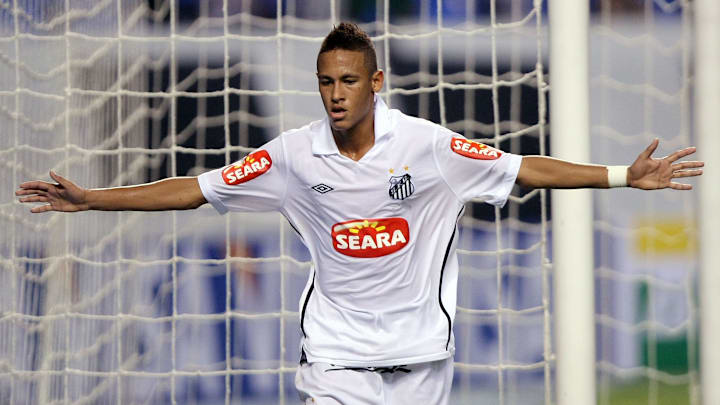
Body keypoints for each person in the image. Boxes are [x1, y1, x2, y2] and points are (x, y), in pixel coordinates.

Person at [16, 22, 703, 405]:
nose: (336, 94)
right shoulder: (292, 155)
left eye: (348, 80)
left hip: (420, 365)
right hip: (336, 366)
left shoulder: (428, 147)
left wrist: (623, 175)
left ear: (375, 82)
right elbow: (196, 187)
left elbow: (525, 168)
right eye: (325, 82)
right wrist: (89, 198)